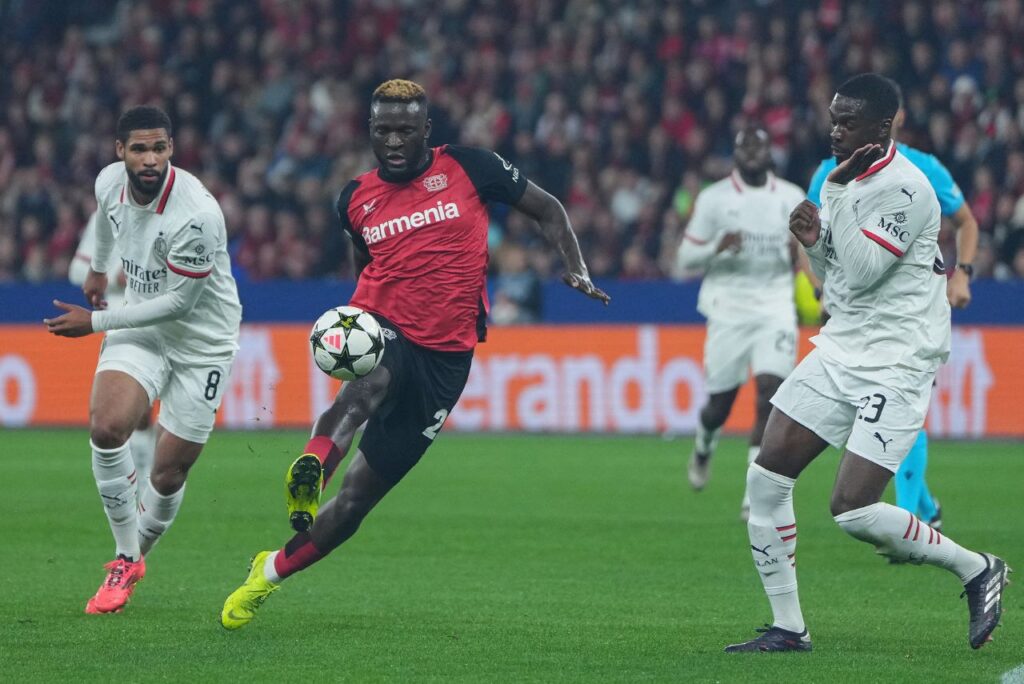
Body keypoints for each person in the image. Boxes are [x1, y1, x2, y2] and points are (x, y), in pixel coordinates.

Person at [220, 79, 609, 629]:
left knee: (357, 503)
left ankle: (269, 574)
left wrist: (575, 265)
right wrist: (361, 319)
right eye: (384, 131)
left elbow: (547, 209)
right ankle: (312, 466)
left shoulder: (472, 167)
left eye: (405, 130)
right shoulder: (353, 197)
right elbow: (364, 260)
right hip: (385, 325)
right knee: (367, 387)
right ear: (370, 132)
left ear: (427, 130)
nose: (395, 141)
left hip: (447, 357)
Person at [725, 74, 1007, 653]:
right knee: (766, 477)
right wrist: (812, 242)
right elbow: (836, 276)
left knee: (851, 509)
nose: (834, 131)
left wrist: (830, 204)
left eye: (847, 122)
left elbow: (863, 268)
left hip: (898, 358)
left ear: (881, 128)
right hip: (844, 344)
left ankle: (978, 568)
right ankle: (788, 626)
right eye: (833, 119)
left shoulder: (909, 190)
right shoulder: (846, 179)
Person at [44, 105, 241, 614]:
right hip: (142, 330)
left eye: (159, 148)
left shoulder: (196, 215)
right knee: (108, 427)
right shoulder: (109, 182)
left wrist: (94, 323)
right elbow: (109, 222)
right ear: (120, 153)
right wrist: (99, 270)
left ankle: (135, 553)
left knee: (167, 474)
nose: (150, 159)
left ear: (172, 149)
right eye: (139, 149)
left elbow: (179, 304)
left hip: (203, 343)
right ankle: (125, 559)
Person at [806, 78, 980, 531]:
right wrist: (816, 282)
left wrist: (963, 274)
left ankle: (907, 507)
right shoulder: (828, 171)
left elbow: (966, 223)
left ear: (892, 120)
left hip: (905, 312)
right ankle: (922, 504)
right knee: (863, 419)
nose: (840, 128)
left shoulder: (922, 170)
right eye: (837, 119)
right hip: (849, 315)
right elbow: (811, 232)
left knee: (897, 404)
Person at [674, 126, 806, 521]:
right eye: (744, 147)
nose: (752, 153)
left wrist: (802, 248)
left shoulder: (791, 197)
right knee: (720, 405)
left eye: (758, 146)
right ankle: (703, 447)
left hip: (775, 306)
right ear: (734, 155)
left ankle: (755, 492)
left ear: (770, 154)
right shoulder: (715, 200)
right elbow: (684, 258)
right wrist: (717, 246)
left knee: (770, 394)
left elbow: (813, 251)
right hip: (728, 308)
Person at [69, 212, 157, 487]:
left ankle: (148, 475)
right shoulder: (105, 216)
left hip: (167, 316)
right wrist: (118, 278)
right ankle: (141, 478)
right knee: (135, 409)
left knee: (152, 410)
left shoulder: (173, 211)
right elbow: (77, 271)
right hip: (123, 321)